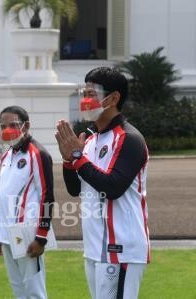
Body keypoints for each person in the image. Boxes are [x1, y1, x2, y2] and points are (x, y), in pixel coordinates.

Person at [55, 67, 150, 299]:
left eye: (92, 93)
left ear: (114, 98)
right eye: (83, 93)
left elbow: (113, 187)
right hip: (94, 247)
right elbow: (76, 188)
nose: (85, 100)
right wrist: (69, 161)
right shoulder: (89, 139)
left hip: (122, 248)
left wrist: (78, 159)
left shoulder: (129, 138)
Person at [0, 106, 54, 299]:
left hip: (27, 232)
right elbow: (4, 198)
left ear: (26, 126)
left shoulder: (38, 153)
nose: (7, 130)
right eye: (3, 126)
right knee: (18, 288)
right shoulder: (6, 155)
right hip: (7, 233)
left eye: (13, 125)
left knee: (34, 291)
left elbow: (47, 195)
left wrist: (41, 237)